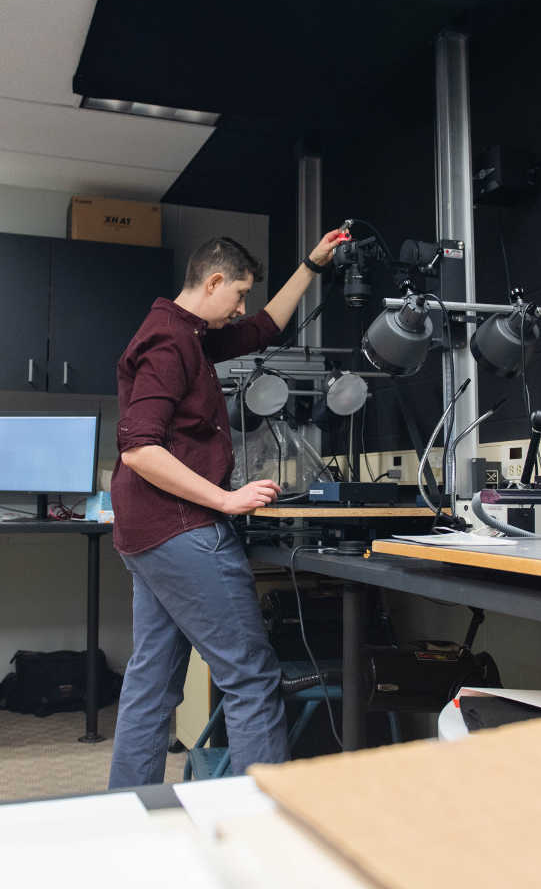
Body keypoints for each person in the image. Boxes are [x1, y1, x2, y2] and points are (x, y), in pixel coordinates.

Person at [108, 228, 346, 788]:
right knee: (251, 677)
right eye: (237, 294)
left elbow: (265, 328)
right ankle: (259, 823)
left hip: (146, 534)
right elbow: (140, 447)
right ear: (211, 282)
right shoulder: (170, 343)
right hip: (182, 529)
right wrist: (226, 499)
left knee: (153, 681)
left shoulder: (187, 333)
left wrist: (310, 264)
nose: (241, 307)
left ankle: (126, 809)